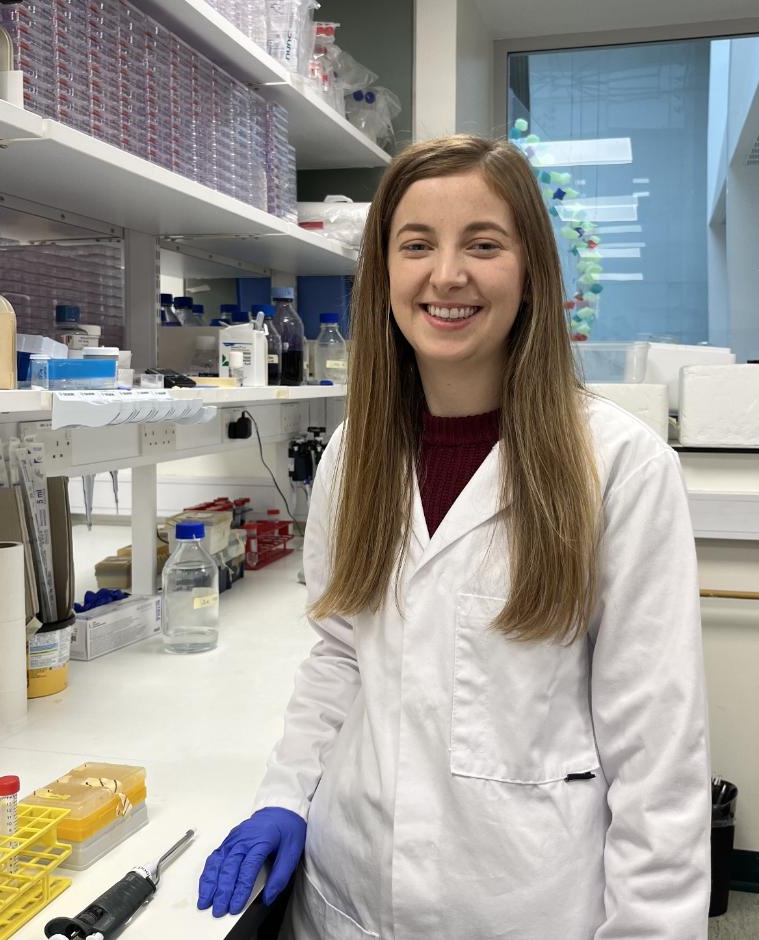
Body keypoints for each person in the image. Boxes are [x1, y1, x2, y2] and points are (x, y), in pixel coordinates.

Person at [197, 135, 711, 939]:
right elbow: (339, 651)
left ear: (531, 268)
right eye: (415, 246)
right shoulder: (352, 453)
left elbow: (658, 752)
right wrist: (283, 792)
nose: (446, 275)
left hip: (524, 905)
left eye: (483, 244)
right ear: (384, 277)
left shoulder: (619, 466)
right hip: (350, 889)